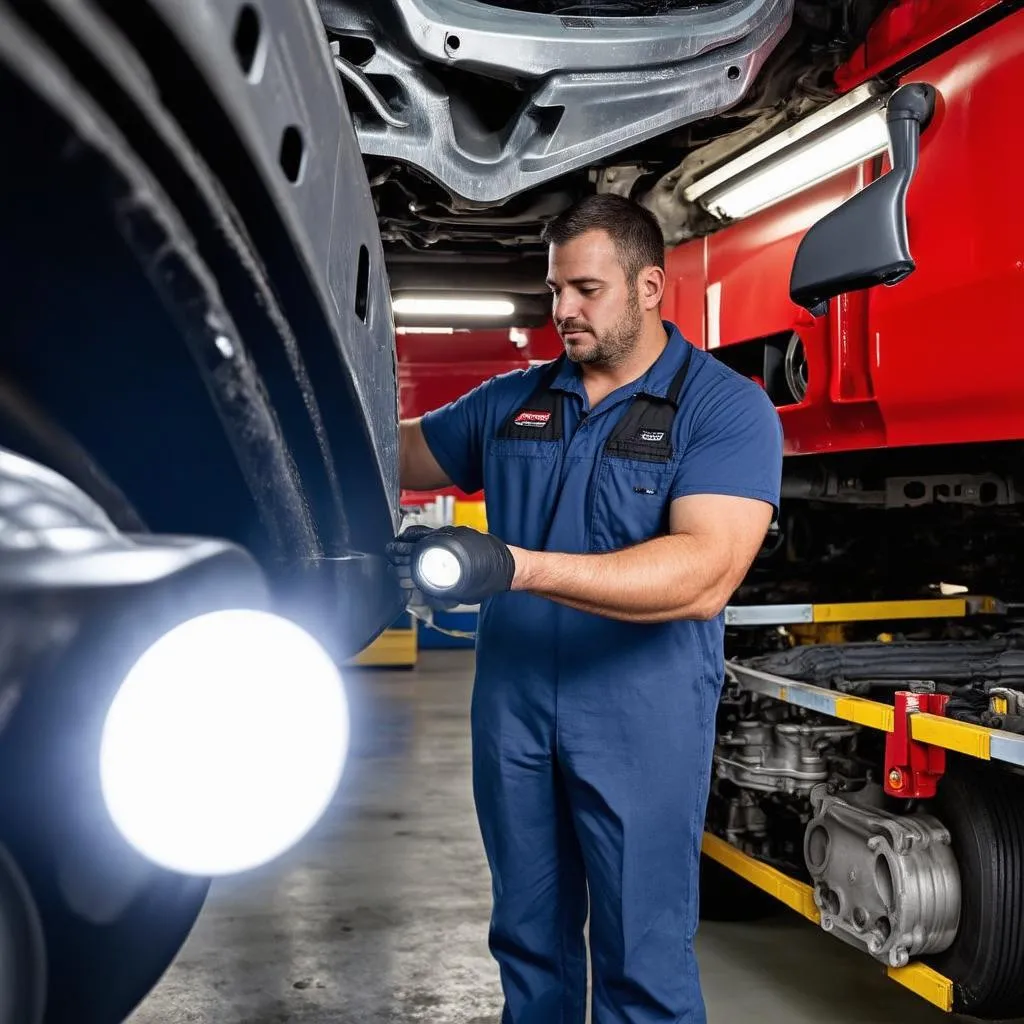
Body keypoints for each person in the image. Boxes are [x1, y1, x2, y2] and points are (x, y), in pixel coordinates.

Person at [388, 193, 783, 1024]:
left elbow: (704, 572)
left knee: (641, 956)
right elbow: (403, 452)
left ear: (648, 286)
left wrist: (514, 566)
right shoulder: (517, 399)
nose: (561, 310)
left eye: (585, 290)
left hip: (640, 714)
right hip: (515, 709)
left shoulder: (722, 409)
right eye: (553, 290)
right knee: (528, 943)